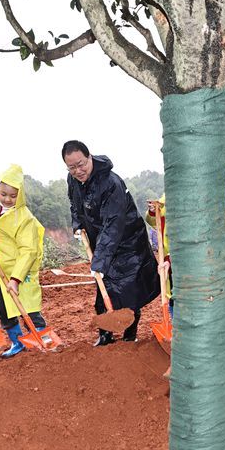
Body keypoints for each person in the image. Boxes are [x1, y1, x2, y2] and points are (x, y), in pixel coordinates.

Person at [63, 140, 159, 346]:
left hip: (128, 242)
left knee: (127, 290)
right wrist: (78, 225)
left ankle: (129, 335)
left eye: (81, 164)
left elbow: (113, 225)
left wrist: (99, 261)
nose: (78, 171)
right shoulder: (73, 181)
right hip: (102, 240)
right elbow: (74, 205)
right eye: (72, 167)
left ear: (90, 158)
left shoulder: (111, 183)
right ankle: (105, 336)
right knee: (103, 287)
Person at [0, 165, 47, 358]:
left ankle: (39, 335)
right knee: (3, 307)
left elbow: (28, 251)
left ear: (20, 196)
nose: (7, 199)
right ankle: (16, 341)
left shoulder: (24, 218)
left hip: (19, 268)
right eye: (3, 193)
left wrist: (16, 279)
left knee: (28, 305)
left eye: (13, 196)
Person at [145, 194, 173, 315]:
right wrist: (152, 210)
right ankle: (173, 320)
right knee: (171, 290)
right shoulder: (168, 197)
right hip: (168, 255)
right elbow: (153, 220)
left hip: (186, 256)